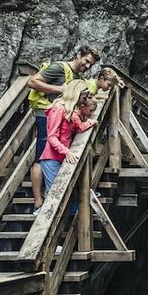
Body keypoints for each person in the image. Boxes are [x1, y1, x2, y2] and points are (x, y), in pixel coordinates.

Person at [27, 44, 101, 212]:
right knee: (41, 157)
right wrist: (60, 89)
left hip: (62, 119)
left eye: (91, 64)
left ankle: (51, 197)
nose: (87, 66)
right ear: (78, 55)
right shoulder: (59, 68)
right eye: (86, 61)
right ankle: (39, 201)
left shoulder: (77, 77)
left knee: (52, 156)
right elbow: (32, 82)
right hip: (47, 115)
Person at [39, 82, 98, 204]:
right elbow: (52, 137)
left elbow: (77, 128)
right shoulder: (58, 109)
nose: (85, 98)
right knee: (55, 196)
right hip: (52, 158)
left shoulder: (70, 111)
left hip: (62, 158)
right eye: (84, 95)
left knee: (66, 195)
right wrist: (67, 152)